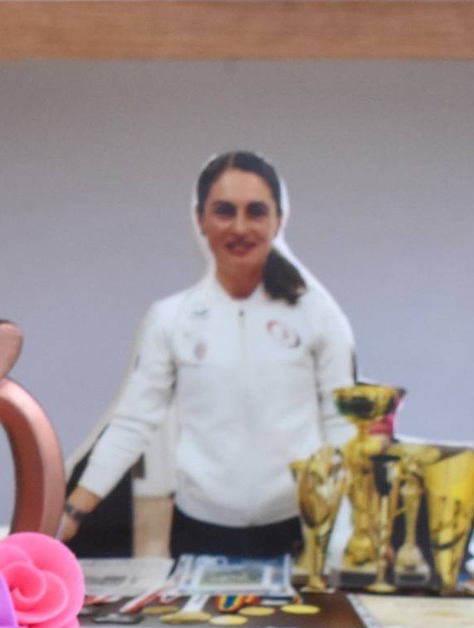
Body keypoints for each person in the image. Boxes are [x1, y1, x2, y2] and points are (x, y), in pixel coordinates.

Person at [61, 151, 358, 561]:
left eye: (256, 212)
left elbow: (343, 425)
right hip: (200, 534)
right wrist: (73, 511)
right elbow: (133, 422)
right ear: (200, 219)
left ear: (279, 220)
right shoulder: (171, 318)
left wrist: (348, 528)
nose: (240, 227)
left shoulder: (318, 316)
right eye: (224, 211)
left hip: (299, 530)